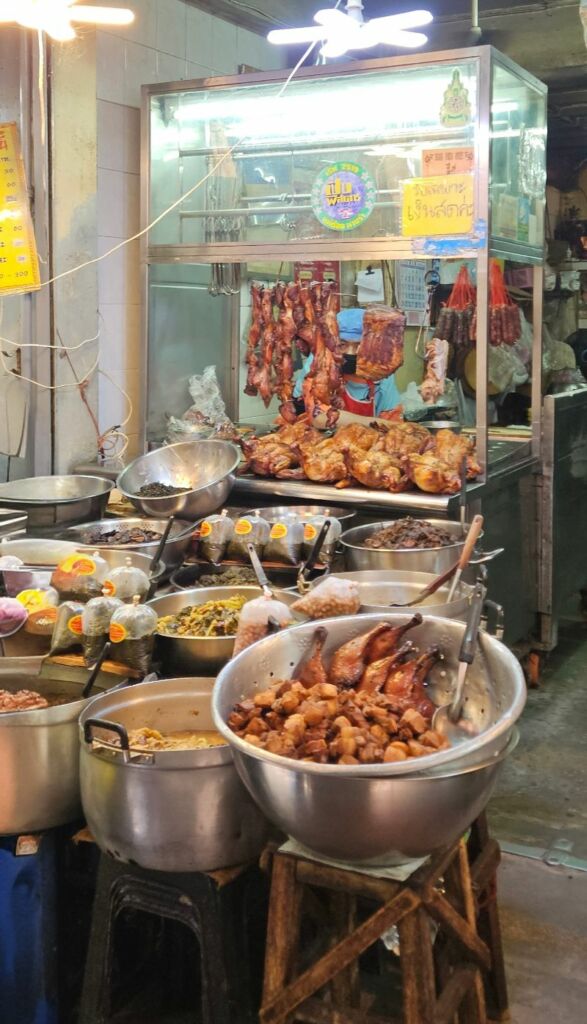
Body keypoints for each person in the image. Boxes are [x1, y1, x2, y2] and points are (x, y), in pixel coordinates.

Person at [293, 307, 401, 417]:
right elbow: (316, 415)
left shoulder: (379, 372)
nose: (350, 352)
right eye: (342, 345)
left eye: (359, 346)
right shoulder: (319, 362)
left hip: (368, 434)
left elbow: (391, 419)